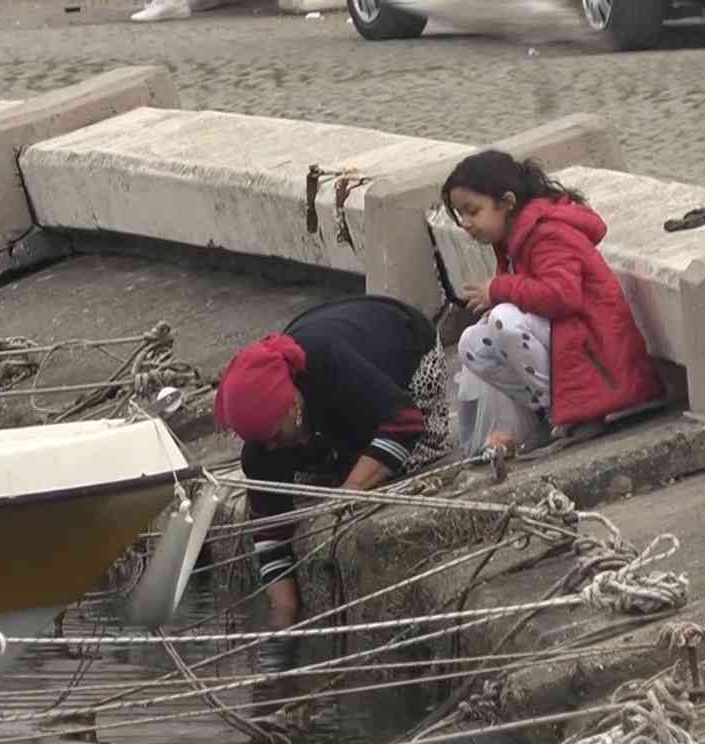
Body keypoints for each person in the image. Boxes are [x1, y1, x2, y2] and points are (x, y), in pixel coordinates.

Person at [214, 295, 450, 673]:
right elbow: (271, 535)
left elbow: (404, 422)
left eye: (277, 435)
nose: (272, 447)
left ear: (293, 405)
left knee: (407, 454)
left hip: (405, 346)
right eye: (265, 442)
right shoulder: (264, 447)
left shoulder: (330, 363)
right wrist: (284, 624)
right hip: (328, 405)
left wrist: (350, 491)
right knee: (314, 471)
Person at [441, 150, 662, 456]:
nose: (465, 223)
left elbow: (563, 295)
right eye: (460, 215)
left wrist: (499, 288)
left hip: (594, 346)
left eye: (473, 211)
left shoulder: (547, 233)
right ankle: (552, 414)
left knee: (502, 320)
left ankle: (579, 414)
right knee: (472, 343)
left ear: (506, 202)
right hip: (568, 339)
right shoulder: (511, 239)